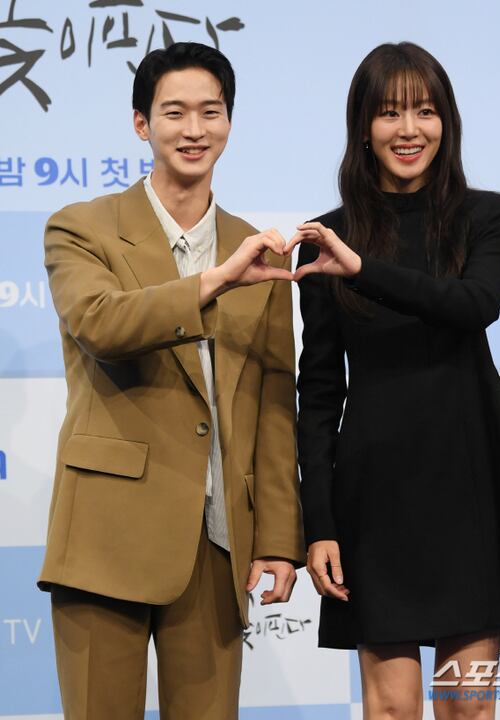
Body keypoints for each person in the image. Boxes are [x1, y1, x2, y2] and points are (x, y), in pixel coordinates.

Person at [288, 42, 500, 720]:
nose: (408, 130)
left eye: (425, 112)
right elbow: (318, 394)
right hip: (375, 490)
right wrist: (319, 523)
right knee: (390, 709)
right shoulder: (327, 237)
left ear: (447, 122)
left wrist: (361, 269)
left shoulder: (487, 214)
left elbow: (474, 305)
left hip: (468, 480)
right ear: (363, 126)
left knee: (468, 707)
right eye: (389, 113)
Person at [38, 42, 303, 720]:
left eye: (210, 112)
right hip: (106, 535)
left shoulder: (259, 249)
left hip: (216, 540)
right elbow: (101, 323)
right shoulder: (82, 227)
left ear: (229, 123)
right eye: (174, 112)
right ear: (141, 124)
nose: (194, 130)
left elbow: (273, 402)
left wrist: (278, 537)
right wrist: (215, 280)